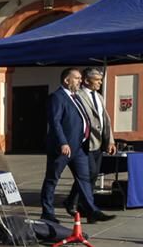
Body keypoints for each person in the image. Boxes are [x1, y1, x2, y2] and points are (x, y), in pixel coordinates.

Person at [41, 68, 115, 224]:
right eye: (77, 78)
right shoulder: (57, 97)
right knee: (52, 179)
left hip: (80, 147)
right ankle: (47, 212)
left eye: (81, 78)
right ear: (66, 80)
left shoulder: (75, 97)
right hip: (63, 148)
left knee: (84, 179)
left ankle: (92, 210)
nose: (80, 81)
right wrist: (63, 142)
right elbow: (55, 122)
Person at [63, 67, 117, 218]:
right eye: (97, 80)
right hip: (85, 143)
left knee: (92, 176)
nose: (100, 83)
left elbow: (105, 120)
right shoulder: (77, 95)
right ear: (87, 80)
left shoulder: (99, 97)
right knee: (88, 174)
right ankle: (85, 205)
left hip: (98, 144)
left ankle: (77, 203)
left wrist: (110, 141)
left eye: (101, 80)